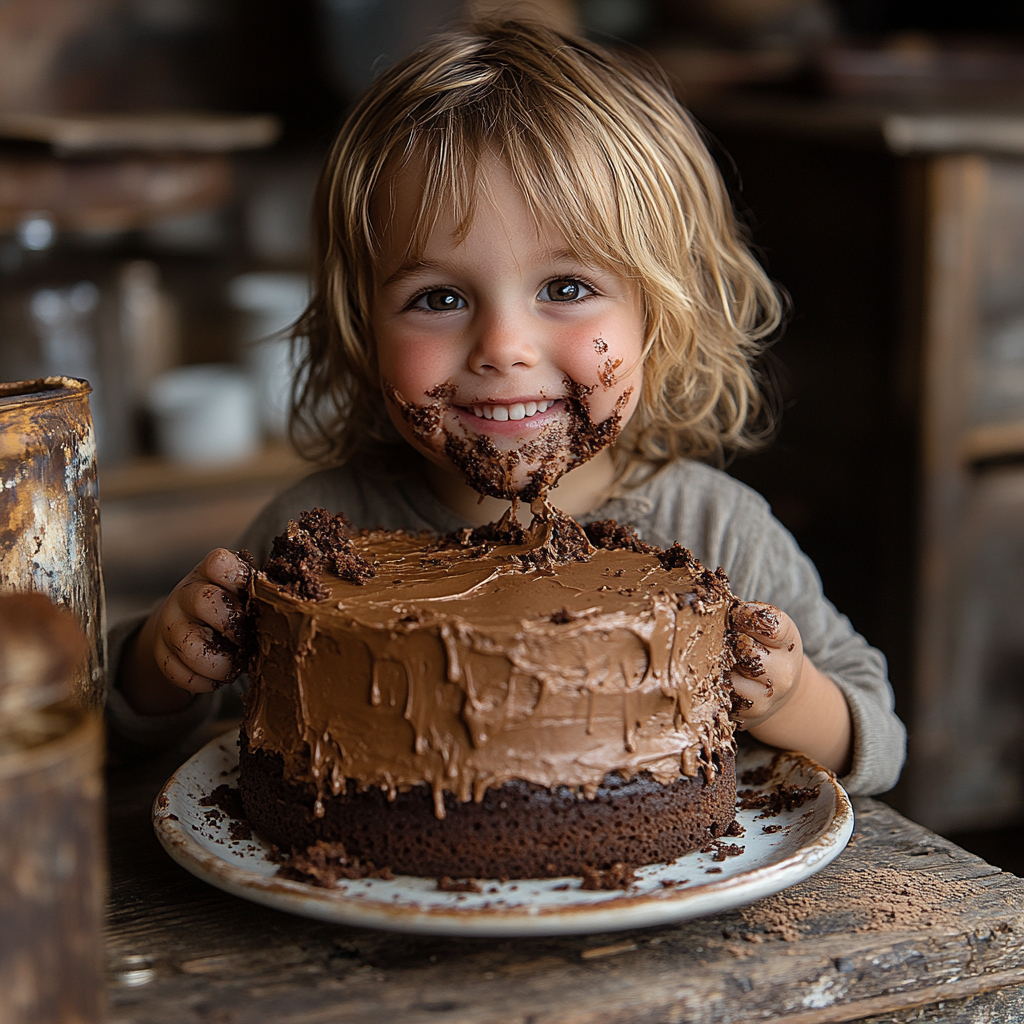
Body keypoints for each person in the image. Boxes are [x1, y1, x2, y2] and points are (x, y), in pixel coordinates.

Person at [109, 19, 904, 794]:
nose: (503, 345)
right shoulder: (316, 536)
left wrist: (794, 698)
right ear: (360, 331)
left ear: (661, 318)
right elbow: (138, 724)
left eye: (567, 288)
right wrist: (160, 661)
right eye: (440, 296)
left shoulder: (719, 531)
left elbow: (880, 736)